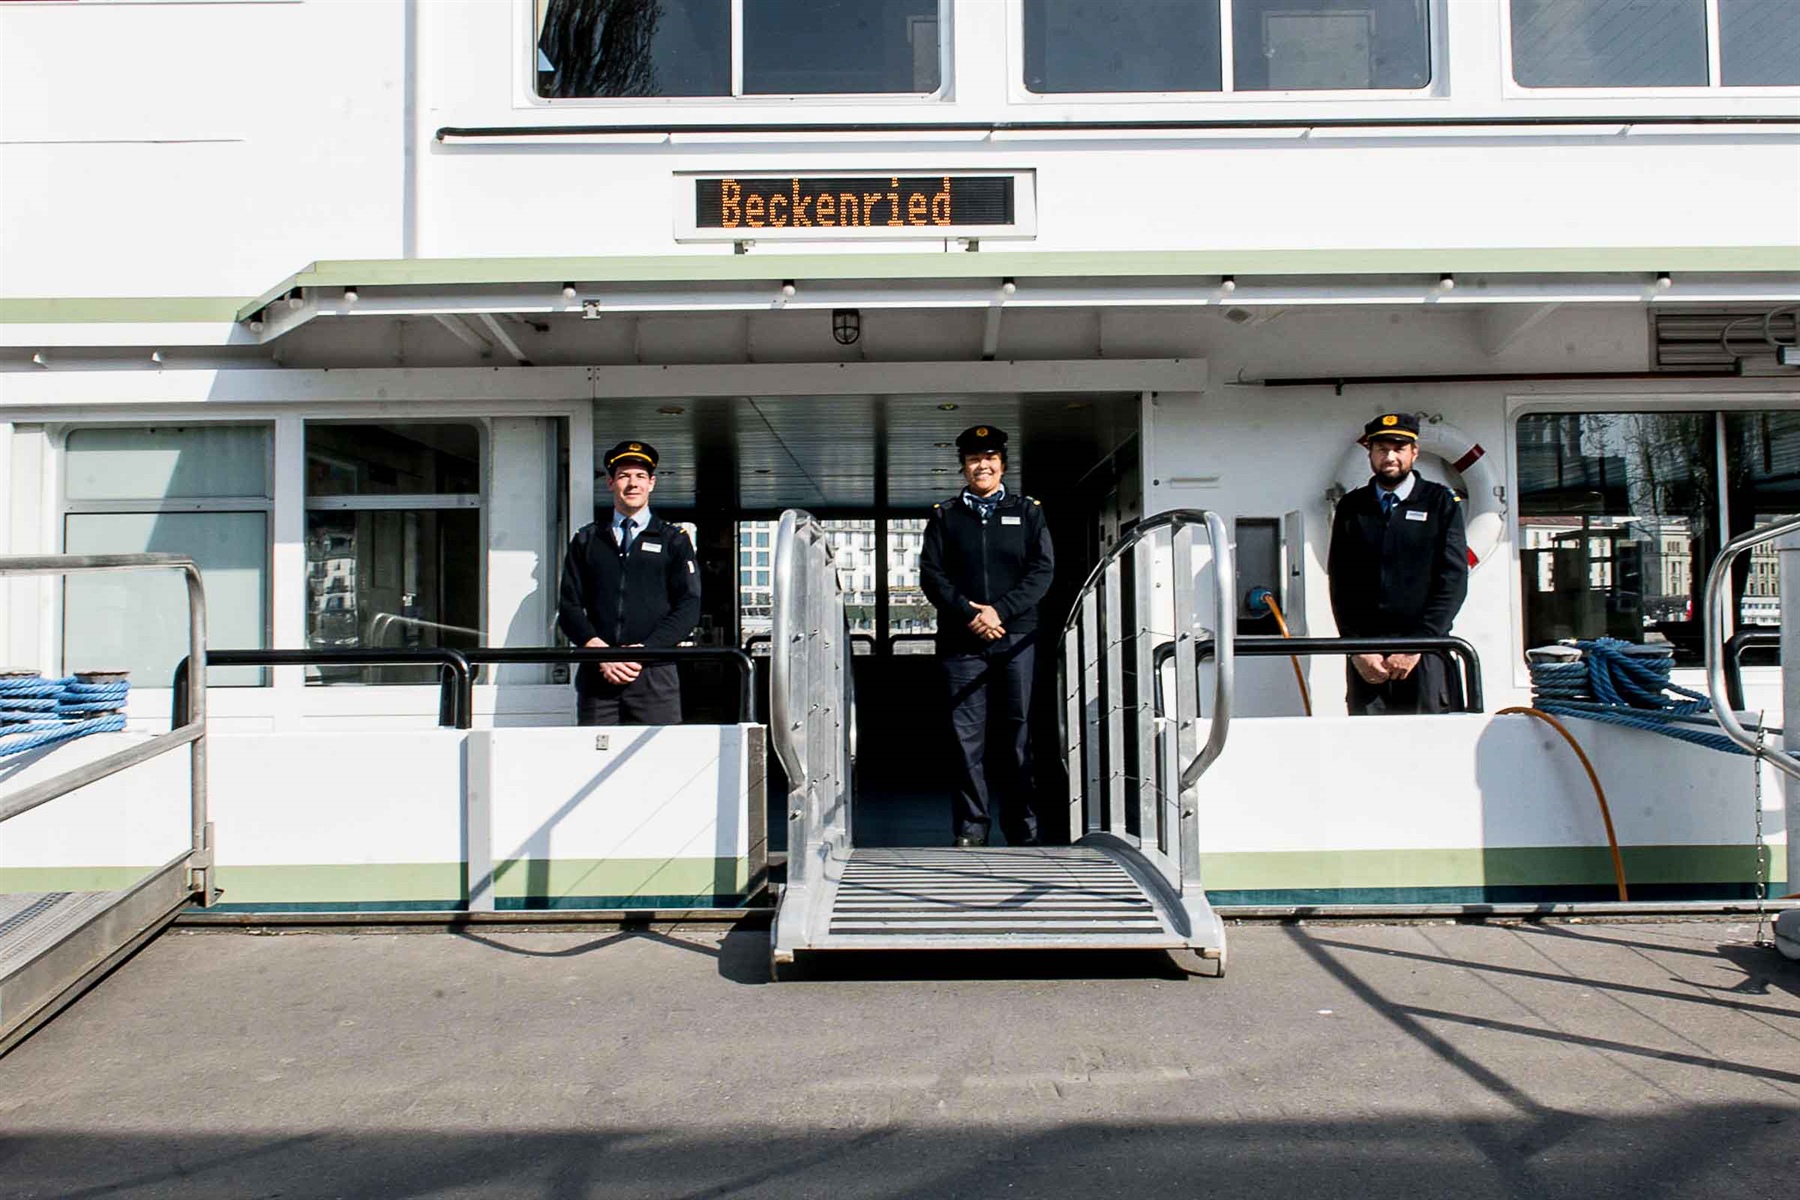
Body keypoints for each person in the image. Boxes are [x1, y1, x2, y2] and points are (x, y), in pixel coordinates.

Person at [919, 425, 1055, 847]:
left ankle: (1022, 825)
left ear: (1002, 464)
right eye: (975, 459)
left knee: (1017, 735)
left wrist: (1000, 611)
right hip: (962, 642)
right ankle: (972, 827)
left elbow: (1042, 571)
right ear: (963, 466)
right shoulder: (945, 516)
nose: (983, 465)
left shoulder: (1028, 512)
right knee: (966, 740)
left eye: (990, 458)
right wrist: (969, 613)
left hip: (1016, 637)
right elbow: (931, 576)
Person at [1327, 412, 1470, 715]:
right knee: (1370, 750)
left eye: (1398, 449)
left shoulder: (1440, 503)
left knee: (1427, 748)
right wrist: (1356, 650)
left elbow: (1453, 581)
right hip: (1369, 658)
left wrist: (1416, 646)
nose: (1389, 457)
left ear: (1414, 452)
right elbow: (1341, 584)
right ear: (1370, 453)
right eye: (1381, 449)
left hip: (1425, 654)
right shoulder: (1352, 508)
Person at [556, 440, 701, 725]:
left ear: (651, 484)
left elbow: (689, 606)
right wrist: (601, 652)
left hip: (654, 675)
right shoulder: (587, 539)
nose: (632, 484)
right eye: (624, 476)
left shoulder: (674, 540)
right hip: (599, 675)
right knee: (595, 761)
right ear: (610, 483)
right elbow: (569, 606)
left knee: (657, 763)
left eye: (640, 476)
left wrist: (646, 651)